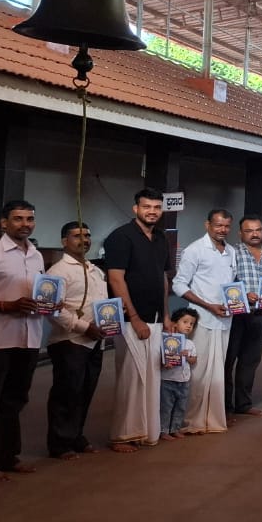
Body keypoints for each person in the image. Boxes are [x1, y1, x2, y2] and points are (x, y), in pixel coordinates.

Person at [104, 188, 173, 452]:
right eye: (147, 207)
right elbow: (116, 279)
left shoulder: (161, 238)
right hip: (130, 319)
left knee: (152, 378)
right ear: (136, 209)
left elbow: (163, 278)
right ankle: (122, 435)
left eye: (156, 207)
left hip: (155, 317)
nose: (152, 212)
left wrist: (165, 315)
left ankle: (146, 431)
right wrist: (134, 318)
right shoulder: (121, 237)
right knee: (131, 379)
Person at [0, 200, 43, 481]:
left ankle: (9, 456)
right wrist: (7, 306)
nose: (25, 224)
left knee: (16, 400)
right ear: (4, 223)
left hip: (29, 338)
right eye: (18, 219)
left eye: (29, 219)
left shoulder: (36, 256)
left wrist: (49, 305)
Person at [45, 221, 107, 459]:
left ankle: (76, 436)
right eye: (77, 236)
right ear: (64, 241)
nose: (84, 240)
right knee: (67, 393)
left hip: (95, 341)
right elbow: (51, 308)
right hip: (70, 341)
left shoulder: (95, 270)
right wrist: (83, 326)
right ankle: (60, 444)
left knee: (85, 392)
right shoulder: (58, 272)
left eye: (88, 235)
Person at [172, 209, 236, 435]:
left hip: (224, 320)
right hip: (202, 319)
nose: (222, 230)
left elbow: (230, 285)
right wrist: (208, 305)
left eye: (226, 226)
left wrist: (234, 302)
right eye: (218, 225)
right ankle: (190, 421)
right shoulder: (195, 250)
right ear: (207, 225)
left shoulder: (231, 251)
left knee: (217, 373)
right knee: (197, 372)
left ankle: (213, 419)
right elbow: (179, 284)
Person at [227, 214, 262, 418]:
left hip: (259, 314)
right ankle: (225, 407)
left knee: (251, 360)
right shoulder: (232, 253)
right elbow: (225, 281)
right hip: (236, 313)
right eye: (249, 231)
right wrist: (243, 295)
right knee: (228, 360)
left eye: (258, 230)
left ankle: (243, 404)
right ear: (240, 233)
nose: (254, 234)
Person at [159, 309, 199, 440]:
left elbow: (194, 360)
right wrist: (165, 363)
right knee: (166, 407)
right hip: (167, 380)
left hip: (184, 381)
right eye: (185, 322)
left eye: (191, 324)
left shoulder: (190, 344)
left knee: (180, 407)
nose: (188, 326)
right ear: (175, 323)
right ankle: (163, 430)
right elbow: (160, 359)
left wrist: (188, 357)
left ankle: (175, 429)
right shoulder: (165, 341)